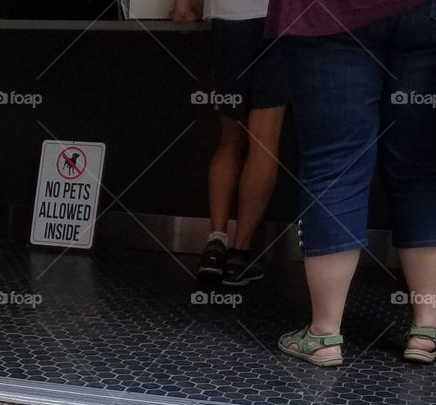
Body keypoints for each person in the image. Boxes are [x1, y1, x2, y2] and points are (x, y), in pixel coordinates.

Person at [269, 0, 436, 366]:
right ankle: (427, 327)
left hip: (328, 13)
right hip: (423, 15)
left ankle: (324, 334)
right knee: (420, 169)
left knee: (335, 165)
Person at [172, 0, 288, 286]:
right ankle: (239, 255)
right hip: (283, 17)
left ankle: (215, 244)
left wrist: (183, 5)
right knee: (263, 141)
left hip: (229, 16)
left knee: (229, 139)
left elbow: (184, 13)